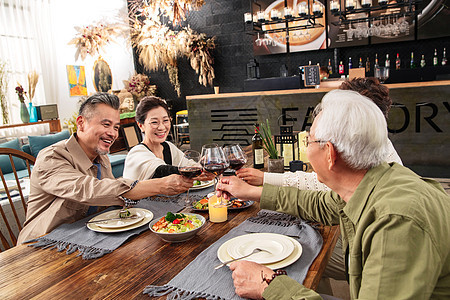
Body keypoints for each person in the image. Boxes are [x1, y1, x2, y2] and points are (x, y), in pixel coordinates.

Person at [217, 90, 450, 299]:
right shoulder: (377, 181)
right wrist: (252, 192)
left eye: (308, 141)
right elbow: (317, 203)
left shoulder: (396, 222)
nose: (306, 149)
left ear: (330, 153)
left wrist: (269, 286)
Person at [17, 93, 193, 244]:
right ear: (81, 123)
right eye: (106, 124)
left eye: (116, 127)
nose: (113, 133)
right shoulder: (52, 157)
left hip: (87, 237)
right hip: (42, 244)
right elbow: (89, 189)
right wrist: (158, 185)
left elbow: (111, 195)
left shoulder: (101, 159)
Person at [123, 96, 213, 181]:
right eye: (154, 122)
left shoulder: (168, 147)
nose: (162, 127)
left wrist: (202, 166)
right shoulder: (136, 154)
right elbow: (161, 170)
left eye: (165, 120)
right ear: (141, 125)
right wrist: (194, 172)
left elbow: (186, 164)